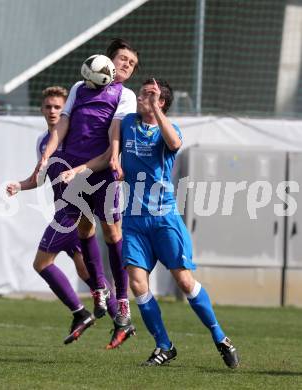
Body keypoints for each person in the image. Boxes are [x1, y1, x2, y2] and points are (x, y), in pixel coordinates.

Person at [61, 79, 240, 367]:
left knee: (183, 280)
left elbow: (174, 143)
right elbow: (109, 156)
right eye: (143, 92)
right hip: (133, 221)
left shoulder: (169, 128)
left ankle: (220, 336)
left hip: (164, 218)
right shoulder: (128, 122)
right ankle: (164, 346)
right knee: (138, 283)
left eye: (151, 94)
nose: (143, 97)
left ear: (162, 102)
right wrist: (78, 171)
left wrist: (156, 109)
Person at [33, 39, 140, 349]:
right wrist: (47, 155)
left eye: (131, 63)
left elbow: (113, 142)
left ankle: (122, 305)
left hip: (101, 172)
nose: (125, 65)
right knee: (83, 228)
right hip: (74, 172)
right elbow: (62, 126)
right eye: (122, 59)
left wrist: (85, 168)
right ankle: (98, 292)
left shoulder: (125, 95)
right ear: (107, 60)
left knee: (111, 231)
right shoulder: (79, 87)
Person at [6, 86, 118, 345]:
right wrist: (20, 186)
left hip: (72, 212)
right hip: (64, 210)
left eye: (58, 106)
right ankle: (121, 321)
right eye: (48, 107)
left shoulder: (80, 135)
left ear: (66, 108)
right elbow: (41, 178)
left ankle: (81, 313)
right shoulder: (44, 142)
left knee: (42, 263)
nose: (53, 111)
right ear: (42, 110)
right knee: (87, 273)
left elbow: (97, 165)